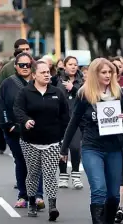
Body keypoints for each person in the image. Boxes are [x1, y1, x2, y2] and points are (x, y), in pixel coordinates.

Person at [60, 58, 123, 224]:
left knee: (114, 195)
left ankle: (109, 223)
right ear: (95, 74)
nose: (107, 76)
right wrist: (64, 147)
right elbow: (74, 121)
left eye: (110, 72)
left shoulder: (120, 93)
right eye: (103, 72)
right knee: (99, 189)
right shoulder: (84, 94)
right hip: (92, 147)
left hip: (115, 147)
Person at [13, 60, 70, 220]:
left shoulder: (57, 93)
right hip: (30, 141)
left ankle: (52, 206)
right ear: (34, 75)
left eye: (48, 72)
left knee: (51, 174)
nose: (47, 75)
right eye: (43, 73)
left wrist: (63, 140)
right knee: (33, 174)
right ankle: (31, 202)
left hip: (52, 142)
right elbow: (18, 110)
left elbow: (65, 117)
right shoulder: (25, 92)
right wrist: (25, 120)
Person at [0, 53, 46, 209]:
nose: (25, 68)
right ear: (15, 66)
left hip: (36, 131)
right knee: (21, 161)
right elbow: (1, 106)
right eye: (21, 65)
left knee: (36, 163)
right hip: (14, 131)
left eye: (28, 65)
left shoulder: (39, 82)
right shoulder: (7, 84)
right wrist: (8, 126)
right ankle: (23, 195)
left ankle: (38, 196)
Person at [55, 56, 85, 189]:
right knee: (62, 149)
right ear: (65, 66)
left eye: (75, 64)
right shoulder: (57, 80)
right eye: (70, 64)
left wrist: (72, 88)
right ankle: (63, 176)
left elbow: (86, 96)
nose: (73, 67)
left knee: (75, 147)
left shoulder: (83, 80)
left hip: (77, 120)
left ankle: (76, 175)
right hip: (61, 120)